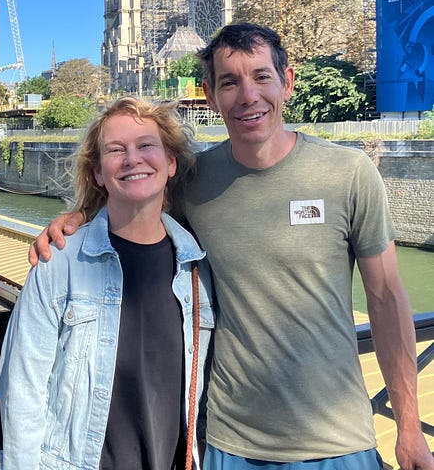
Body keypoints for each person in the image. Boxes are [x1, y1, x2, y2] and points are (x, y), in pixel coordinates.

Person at [30, 24, 434, 470]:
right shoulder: (194, 182)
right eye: (229, 82)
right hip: (229, 444)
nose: (247, 96)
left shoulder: (348, 173)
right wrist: (80, 217)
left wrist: (409, 428)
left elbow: (386, 297)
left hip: (340, 440)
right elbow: (133, 196)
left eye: (261, 76)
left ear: (288, 81)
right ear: (209, 94)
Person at [0, 97, 214, 470]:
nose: (133, 159)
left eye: (146, 146)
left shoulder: (199, 267)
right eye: (116, 150)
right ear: (97, 173)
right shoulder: (59, 263)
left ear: (171, 162)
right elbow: (23, 392)